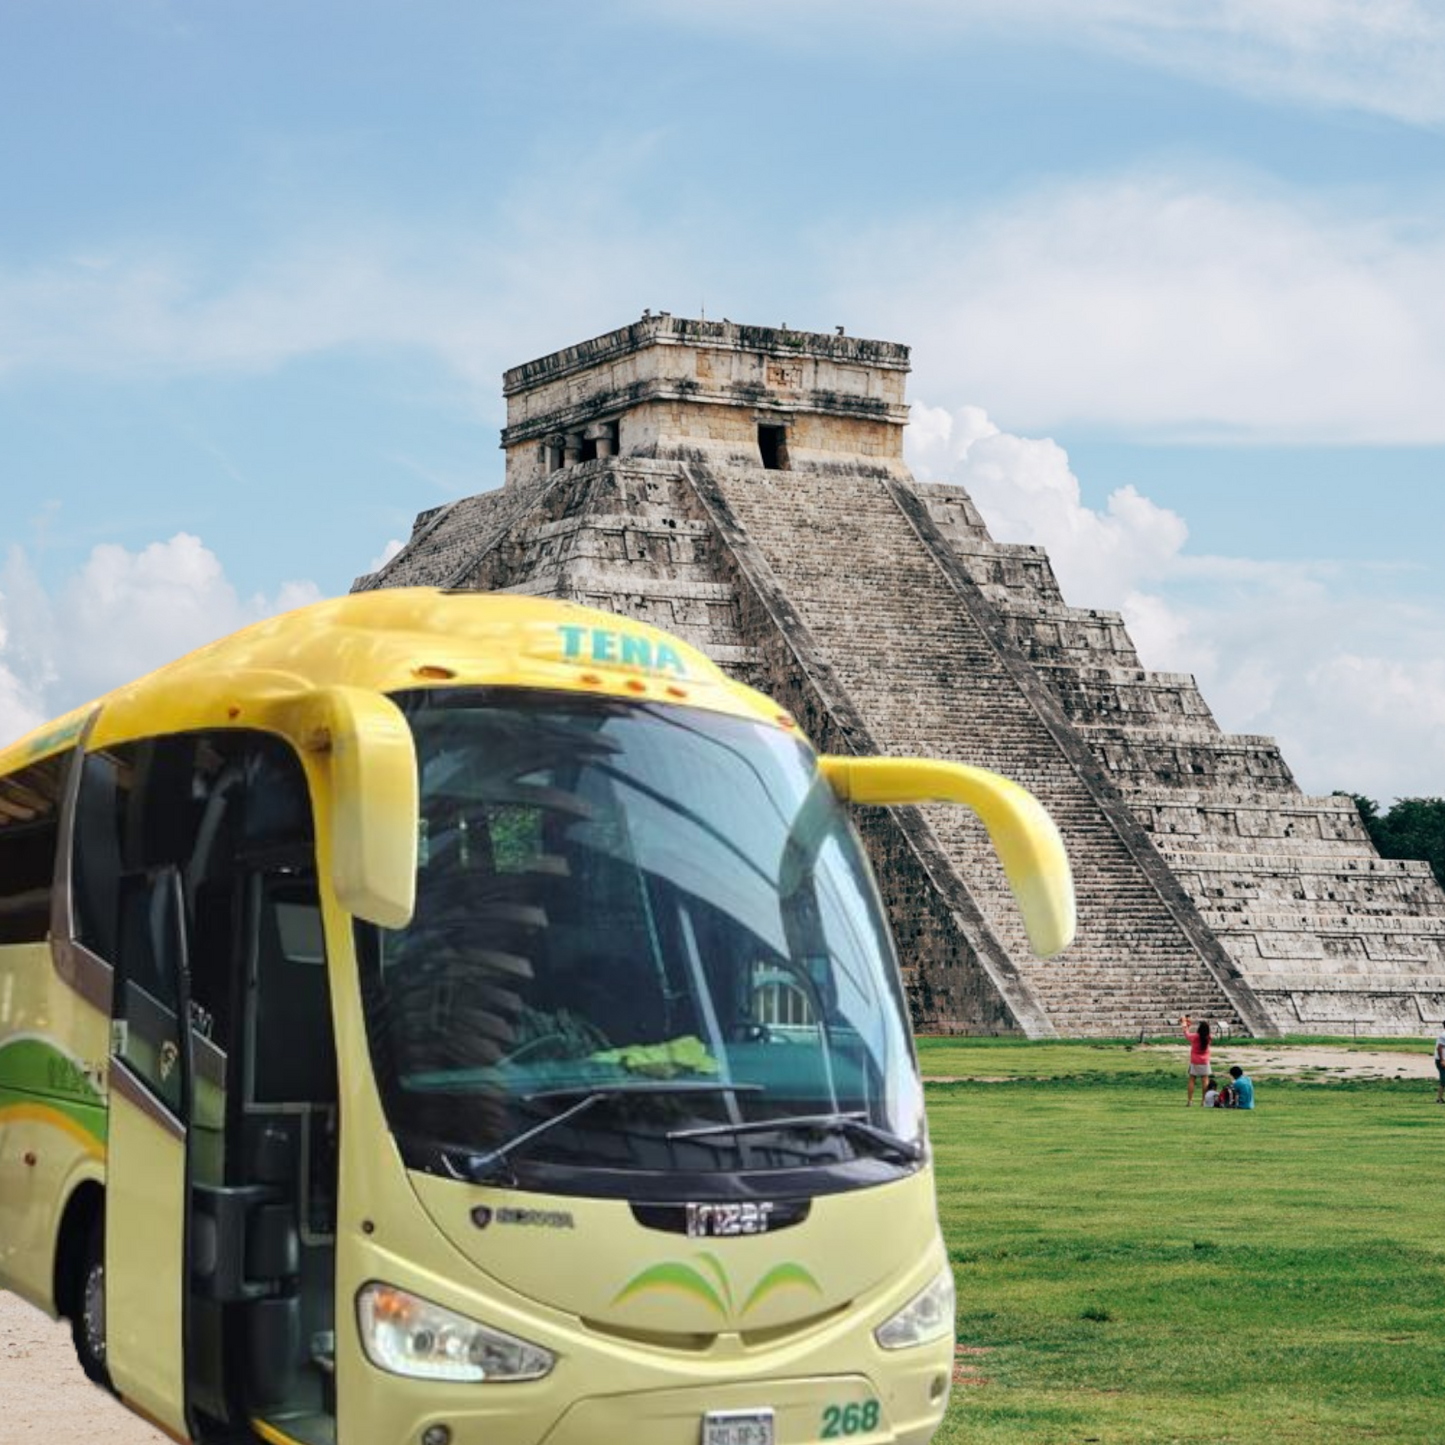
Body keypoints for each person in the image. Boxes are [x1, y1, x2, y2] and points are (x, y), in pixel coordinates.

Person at [1180, 1014, 1212, 1106]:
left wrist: (1185, 1024)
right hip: (1205, 1061)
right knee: (1205, 1080)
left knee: (1192, 1079)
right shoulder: (1209, 1037)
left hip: (1195, 1060)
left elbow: (1187, 1035)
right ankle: (1203, 1101)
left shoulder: (1195, 1037)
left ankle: (1190, 1101)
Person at [1435, 1024, 1445, 1105]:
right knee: (1443, 1079)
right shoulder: (1443, 1035)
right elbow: (1439, 1048)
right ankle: (1439, 1098)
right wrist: (1442, 1060)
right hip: (1441, 1060)